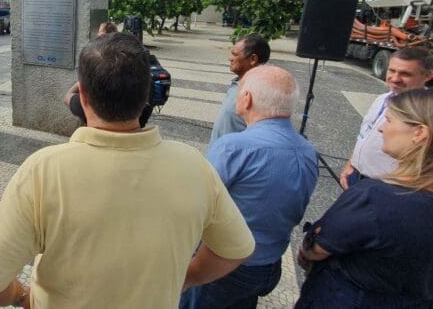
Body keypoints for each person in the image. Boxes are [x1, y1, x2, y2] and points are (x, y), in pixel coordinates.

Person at [0, 33, 255, 308]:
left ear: (81, 95)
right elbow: (236, 249)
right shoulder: (194, 165)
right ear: (147, 95)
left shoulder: (42, 171)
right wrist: (187, 278)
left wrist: (22, 296)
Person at [182, 65, 318, 308]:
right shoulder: (307, 150)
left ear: (247, 98)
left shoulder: (235, 147)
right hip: (268, 265)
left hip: (225, 267)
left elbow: (195, 203)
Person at [297, 88, 433, 308]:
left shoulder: (375, 198)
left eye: (389, 120)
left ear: (419, 133)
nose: (381, 128)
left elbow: (318, 247)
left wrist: (307, 250)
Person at [339, 47, 433, 189]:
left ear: (427, 76)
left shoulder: (426, 112)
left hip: (388, 186)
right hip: (356, 176)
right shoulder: (382, 99)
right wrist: (351, 164)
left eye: (405, 74)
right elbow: (365, 133)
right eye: (391, 70)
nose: (395, 79)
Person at [64, 20, 153, 128]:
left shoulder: (81, 104)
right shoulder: (145, 110)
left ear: (83, 94)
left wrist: (81, 83)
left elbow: (67, 97)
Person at [209, 33, 270, 144]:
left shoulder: (259, 93)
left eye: (235, 54)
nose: (230, 58)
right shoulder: (238, 82)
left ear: (253, 59)